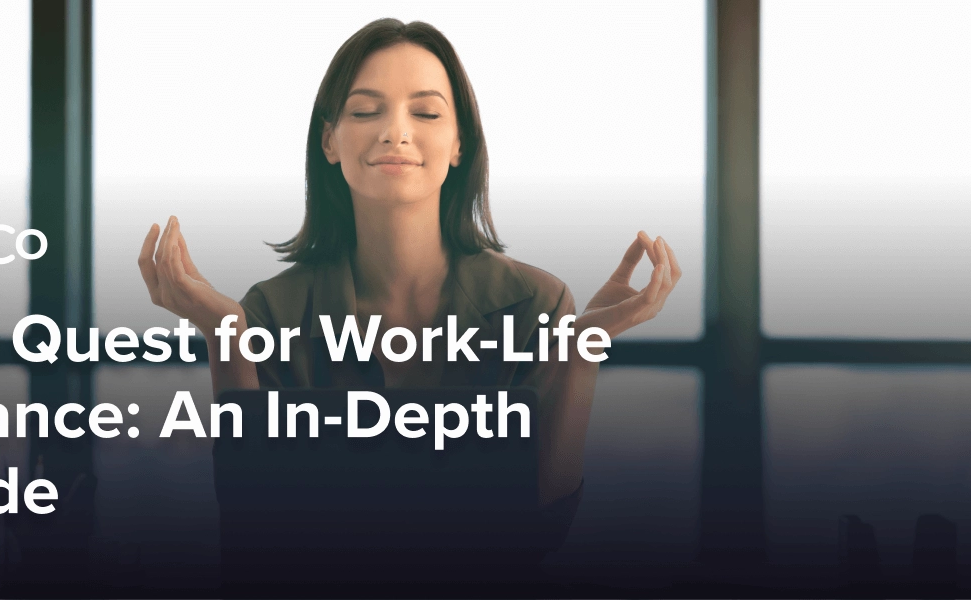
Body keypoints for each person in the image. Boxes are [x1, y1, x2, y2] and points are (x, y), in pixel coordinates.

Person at [137, 17, 681, 560]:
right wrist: (225, 336)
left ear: (459, 143)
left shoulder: (536, 305)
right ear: (329, 140)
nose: (395, 131)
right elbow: (254, 534)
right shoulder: (273, 314)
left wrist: (580, 354)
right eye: (365, 110)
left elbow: (539, 532)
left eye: (425, 112)